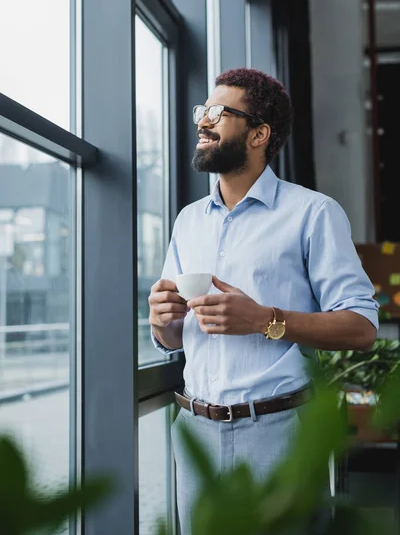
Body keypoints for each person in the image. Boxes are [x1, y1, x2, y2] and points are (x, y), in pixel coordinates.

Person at [148, 68, 379, 535]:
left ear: (259, 134)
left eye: (218, 113)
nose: (203, 122)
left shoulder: (312, 213)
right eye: (202, 111)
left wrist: (264, 320)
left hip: (279, 430)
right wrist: (162, 321)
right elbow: (174, 336)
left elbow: (361, 328)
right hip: (194, 431)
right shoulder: (188, 221)